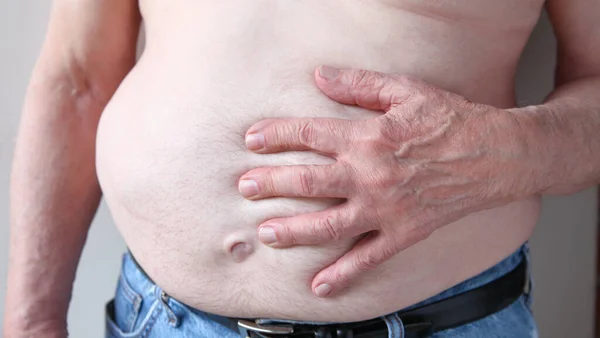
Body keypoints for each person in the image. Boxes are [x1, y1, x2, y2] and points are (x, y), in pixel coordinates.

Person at [3, 0, 600, 337]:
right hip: (163, 321)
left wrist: (492, 147)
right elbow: (76, 79)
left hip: (441, 322)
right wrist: (31, 320)